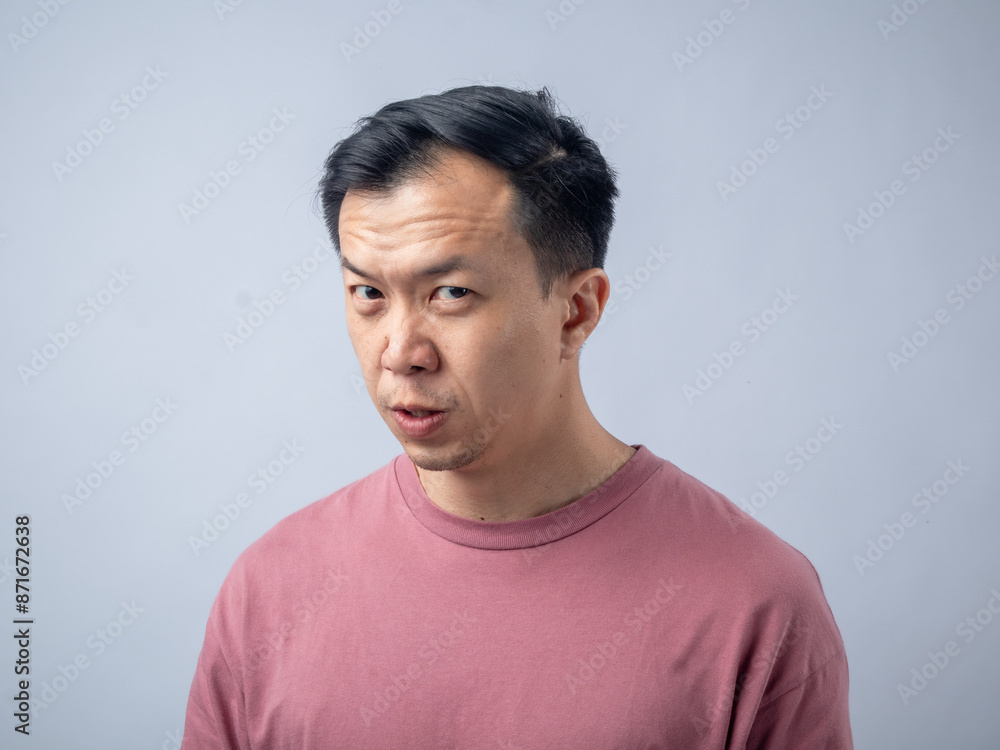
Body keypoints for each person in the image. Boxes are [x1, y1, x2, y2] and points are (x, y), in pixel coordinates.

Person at [181, 85, 853, 748]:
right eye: (368, 292)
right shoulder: (267, 591)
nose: (400, 353)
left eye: (451, 293)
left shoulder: (755, 606)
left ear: (577, 310)